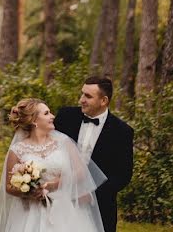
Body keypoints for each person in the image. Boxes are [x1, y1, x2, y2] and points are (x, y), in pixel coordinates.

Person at [0, 98, 106, 232]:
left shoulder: (64, 142)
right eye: (46, 113)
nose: (53, 116)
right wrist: (30, 191)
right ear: (34, 120)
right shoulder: (17, 150)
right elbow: (9, 187)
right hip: (30, 213)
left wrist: (54, 185)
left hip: (64, 211)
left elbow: (80, 172)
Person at [53, 76, 134, 232]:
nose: (81, 100)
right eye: (82, 94)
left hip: (100, 208)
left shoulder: (122, 132)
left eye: (88, 96)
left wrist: (92, 195)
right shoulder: (65, 116)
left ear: (103, 101)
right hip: (59, 200)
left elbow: (123, 175)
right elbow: (44, 142)